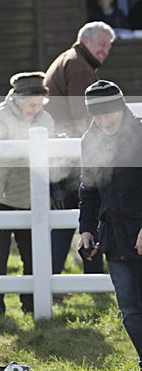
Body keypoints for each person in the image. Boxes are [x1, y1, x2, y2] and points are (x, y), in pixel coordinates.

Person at [0, 72, 54, 316]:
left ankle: (32, 306)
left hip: (29, 195)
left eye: (39, 104)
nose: (35, 109)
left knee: (33, 253)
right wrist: (32, 151)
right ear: (18, 99)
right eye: (31, 104)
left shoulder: (45, 118)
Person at [78, 80, 142, 371]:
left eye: (109, 113)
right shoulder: (90, 142)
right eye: (97, 115)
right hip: (114, 235)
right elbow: (88, 188)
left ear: (121, 107)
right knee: (129, 309)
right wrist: (86, 228)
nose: (104, 121)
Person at [44, 21, 115, 276]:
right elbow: (85, 118)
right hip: (70, 158)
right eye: (102, 44)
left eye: (109, 47)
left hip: (60, 156)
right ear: (86, 41)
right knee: (78, 216)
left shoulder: (72, 60)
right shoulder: (79, 67)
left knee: (69, 218)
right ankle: (83, 275)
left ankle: (80, 275)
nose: (105, 51)